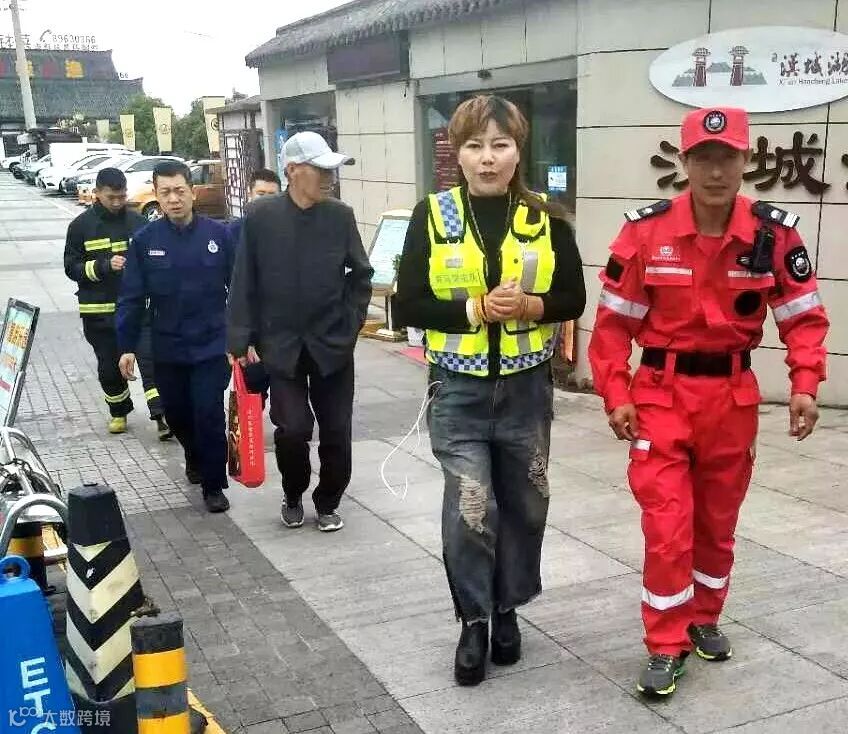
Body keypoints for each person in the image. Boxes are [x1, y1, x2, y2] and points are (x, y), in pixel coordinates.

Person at [588, 107, 829, 698]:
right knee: (667, 526)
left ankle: (704, 616)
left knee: (717, 525)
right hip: (661, 397)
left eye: (727, 158)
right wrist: (616, 392)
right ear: (685, 162)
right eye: (703, 158)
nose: (715, 171)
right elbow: (612, 328)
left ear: (745, 160)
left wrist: (804, 383)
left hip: (732, 399)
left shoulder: (774, 235)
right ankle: (664, 642)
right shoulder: (646, 234)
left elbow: (803, 317)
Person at [394, 95, 586, 687]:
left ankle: (508, 608)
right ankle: (474, 621)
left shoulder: (546, 218)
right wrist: (474, 309)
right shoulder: (432, 216)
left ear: (518, 151)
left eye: (500, 145)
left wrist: (530, 305)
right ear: (457, 152)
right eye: (474, 145)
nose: (487, 158)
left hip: (526, 391)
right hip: (458, 391)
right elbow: (408, 303)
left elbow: (574, 297)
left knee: (526, 505)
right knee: (472, 506)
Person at [227, 131, 373, 532]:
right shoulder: (261, 216)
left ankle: (328, 501)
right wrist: (240, 338)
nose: (329, 178)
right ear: (292, 171)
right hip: (280, 344)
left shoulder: (340, 216)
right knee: (292, 429)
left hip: (332, 345)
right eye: (320, 169)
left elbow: (361, 276)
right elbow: (244, 279)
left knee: (336, 430)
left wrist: (351, 323)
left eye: (332, 170)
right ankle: (293, 493)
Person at [117, 160, 235, 513]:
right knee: (177, 414)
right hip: (168, 345)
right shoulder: (145, 241)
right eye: (165, 192)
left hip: (211, 344)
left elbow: (239, 289)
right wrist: (126, 346)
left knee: (208, 413)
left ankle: (214, 484)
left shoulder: (219, 236)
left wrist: (246, 337)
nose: (173, 199)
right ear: (156, 195)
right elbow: (131, 297)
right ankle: (193, 454)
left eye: (180, 191)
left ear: (192, 193)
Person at [64, 167, 171, 439]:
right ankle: (119, 411)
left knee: (151, 362)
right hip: (99, 312)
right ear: (97, 193)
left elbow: (156, 258)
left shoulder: (139, 223)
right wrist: (103, 266)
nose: (116, 202)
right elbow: (71, 268)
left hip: (138, 310)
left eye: (121, 196)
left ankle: (162, 416)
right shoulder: (80, 227)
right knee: (110, 368)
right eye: (111, 197)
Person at [227, 168, 282, 244]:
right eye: (261, 194)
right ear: (250, 194)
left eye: (272, 195)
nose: (266, 199)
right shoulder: (234, 231)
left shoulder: (291, 228)